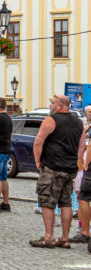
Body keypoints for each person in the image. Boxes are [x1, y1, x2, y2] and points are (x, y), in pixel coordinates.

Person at [30, 94, 85, 249]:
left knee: (47, 201)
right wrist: (77, 164)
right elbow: (82, 147)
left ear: (60, 105)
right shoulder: (78, 122)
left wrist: (37, 161)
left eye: (52, 103)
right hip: (70, 169)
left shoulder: (51, 120)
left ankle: (49, 237)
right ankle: (65, 238)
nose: (50, 105)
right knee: (66, 202)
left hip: (52, 167)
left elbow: (38, 142)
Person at [74, 107, 91, 250]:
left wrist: (85, 165)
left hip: (88, 168)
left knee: (83, 198)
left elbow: (90, 147)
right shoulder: (87, 128)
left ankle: (85, 231)